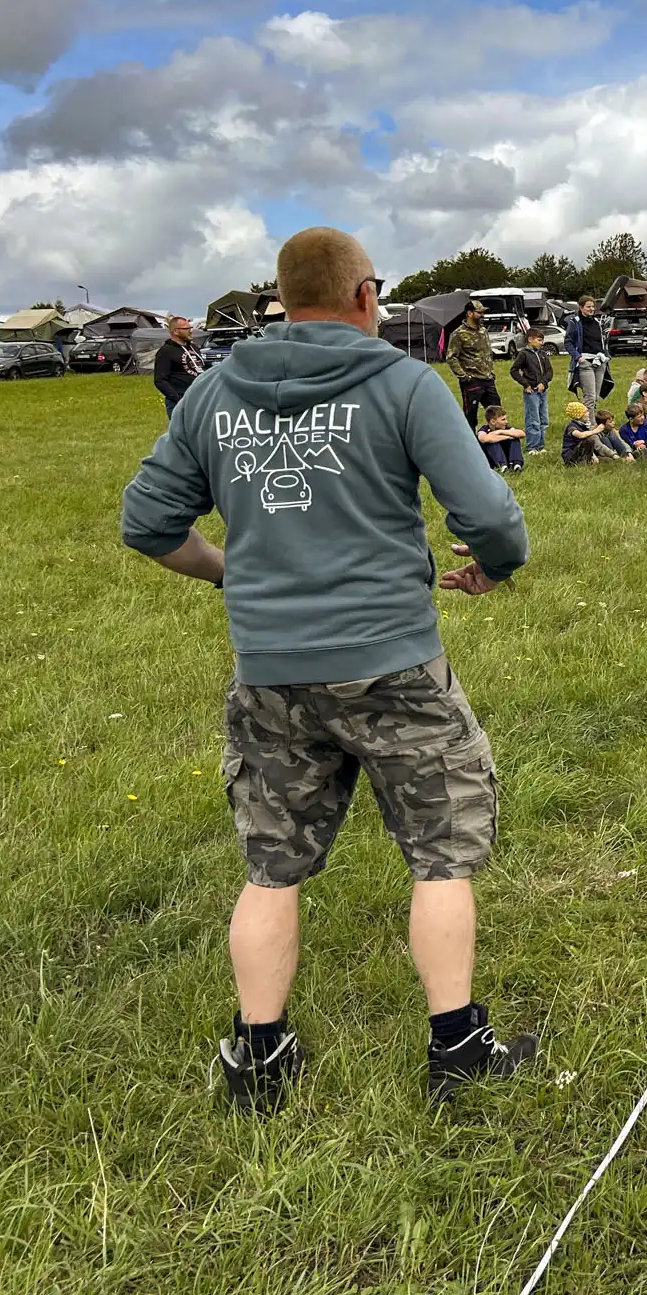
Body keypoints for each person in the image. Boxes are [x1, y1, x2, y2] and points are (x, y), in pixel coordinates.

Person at [118, 226, 534, 1113]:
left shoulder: (213, 392)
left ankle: (259, 1056)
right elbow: (492, 518)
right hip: (394, 663)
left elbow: (148, 522)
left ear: (280, 300)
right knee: (442, 854)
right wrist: (491, 569)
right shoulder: (402, 383)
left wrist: (234, 572)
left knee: (272, 864)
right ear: (364, 296)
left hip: (271, 669)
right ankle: (456, 1045)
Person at [446, 301, 499, 430]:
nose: (482, 315)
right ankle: (472, 444)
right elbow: (451, 357)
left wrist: (491, 373)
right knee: (471, 417)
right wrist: (464, 376)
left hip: (488, 380)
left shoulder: (483, 331)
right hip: (472, 382)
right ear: (470, 313)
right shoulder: (459, 334)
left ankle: (497, 442)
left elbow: (487, 354)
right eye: (479, 312)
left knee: (497, 413)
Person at [508, 330, 553, 453]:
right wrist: (525, 384)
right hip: (531, 392)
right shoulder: (523, 354)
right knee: (533, 419)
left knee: (544, 419)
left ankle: (540, 446)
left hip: (542, 391)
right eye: (539, 340)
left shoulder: (543, 354)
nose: (541, 343)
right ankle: (532, 446)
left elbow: (549, 371)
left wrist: (543, 383)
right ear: (530, 340)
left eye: (542, 340)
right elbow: (514, 370)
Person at [153, 315, 204, 416]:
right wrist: (178, 400)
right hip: (180, 402)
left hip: (199, 399)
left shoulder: (194, 348)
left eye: (190, 328)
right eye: (186, 329)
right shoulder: (166, 351)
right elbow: (160, 380)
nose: (191, 331)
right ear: (175, 331)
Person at [564, 297, 608, 401]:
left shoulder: (597, 322)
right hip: (585, 362)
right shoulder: (575, 322)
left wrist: (606, 355)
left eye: (593, 306)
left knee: (596, 397)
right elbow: (568, 342)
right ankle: (588, 418)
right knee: (589, 397)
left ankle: (590, 417)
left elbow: (602, 341)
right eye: (588, 306)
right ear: (581, 307)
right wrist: (578, 357)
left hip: (599, 361)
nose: (591, 309)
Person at [476, 405, 526, 472]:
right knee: (491, 441)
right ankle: (502, 465)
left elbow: (522, 433)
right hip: (491, 460)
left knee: (515, 438)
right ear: (493, 422)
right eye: (503, 419)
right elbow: (484, 439)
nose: (506, 422)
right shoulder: (484, 429)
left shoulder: (505, 428)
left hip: (506, 458)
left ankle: (516, 464)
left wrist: (500, 432)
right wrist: (507, 437)